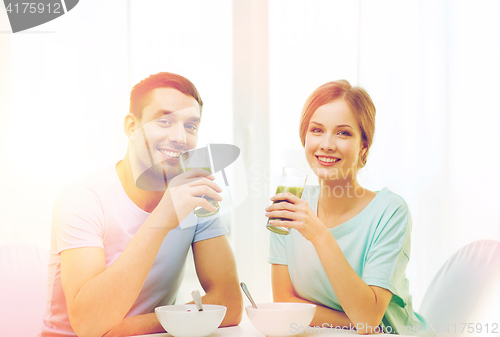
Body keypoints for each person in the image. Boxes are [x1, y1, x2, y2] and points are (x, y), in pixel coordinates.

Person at [40, 72, 243, 337]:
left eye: (191, 126)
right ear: (131, 127)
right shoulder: (83, 198)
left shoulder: (195, 198)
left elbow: (230, 303)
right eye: (164, 120)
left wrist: (137, 326)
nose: (180, 137)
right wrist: (162, 219)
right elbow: (89, 325)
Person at [266, 80, 435, 336]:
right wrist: (351, 321)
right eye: (316, 130)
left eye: (343, 133)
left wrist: (320, 235)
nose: (326, 144)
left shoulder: (390, 212)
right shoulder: (290, 206)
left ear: (363, 145)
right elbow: (285, 302)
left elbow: (368, 320)